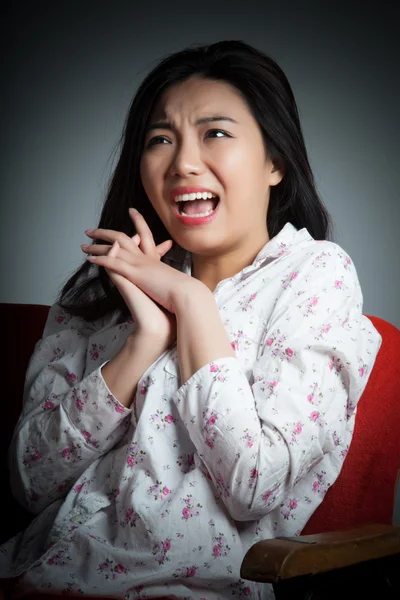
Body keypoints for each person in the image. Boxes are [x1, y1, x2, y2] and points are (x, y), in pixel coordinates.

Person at [0, 40, 381, 600]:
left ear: (275, 161)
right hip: (34, 577)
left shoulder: (316, 276)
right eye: (160, 139)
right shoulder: (103, 289)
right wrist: (143, 342)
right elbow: (27, 484)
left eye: (216, 133)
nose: (182, 163)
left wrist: (192, 303)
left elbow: (254, 484)